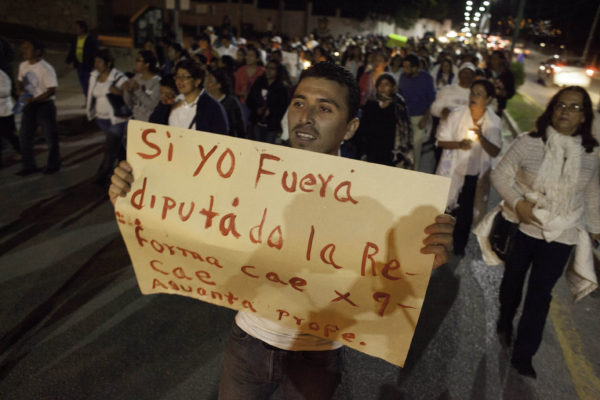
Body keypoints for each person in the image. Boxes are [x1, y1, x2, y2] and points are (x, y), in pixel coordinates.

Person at [108, 62, 455, 399]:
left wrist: (420, 262)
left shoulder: (375, 202)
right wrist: (134, 195)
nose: (306, 117)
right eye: (299, 103)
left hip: (317, 357)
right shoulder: (245, 173)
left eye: (324, 108)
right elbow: (186, 217)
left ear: (350, 128)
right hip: (247, 342)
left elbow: (385, 288)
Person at [491, 86, 599, 378]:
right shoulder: (528, 143)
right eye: (561, 105)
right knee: (511, 284)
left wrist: (596, 230)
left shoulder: (590, 153)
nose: (565, 111)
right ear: (551, 109)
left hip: (561, 235)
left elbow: (590, 192)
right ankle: (505, 316)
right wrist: (518, 204)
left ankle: (524, 354)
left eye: (575, 107)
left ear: (584, 117)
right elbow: (499, 174)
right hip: (523, 227)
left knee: (540, 295)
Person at [436, 79, 501, 256]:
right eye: (473, 92)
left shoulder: (493, 122)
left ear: (488, 99)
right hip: (453, 171)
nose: (474, 97)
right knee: (445, 210)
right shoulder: (457, 115)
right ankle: (438, 244)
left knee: (466, 213)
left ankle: (459, 246)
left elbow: (495, 151)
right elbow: (441, 140)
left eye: (479, 94)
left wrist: (481, 137)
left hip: (474, 176)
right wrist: (459, 144)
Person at [16, 37, 60, 176]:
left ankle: (53, 165)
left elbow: (51, 90)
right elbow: (19, 80)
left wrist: (34, 100)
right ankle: (29, 166)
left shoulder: (46, 68)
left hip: (44, 106)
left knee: (50, 137)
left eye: (28, 48)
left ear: (37, 51)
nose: (24, 50)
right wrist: (20, 91)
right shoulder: (23, 65)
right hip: (30, 105)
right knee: (24, 136)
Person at [86, 48, 130, 184]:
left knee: (110, 149)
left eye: (99, 62)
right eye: (95, 62)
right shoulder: (94, 76)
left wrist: (119, 92)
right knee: (120, 149)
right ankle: (129, 171)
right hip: (102, 120)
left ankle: (102, 174)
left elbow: (129, 92)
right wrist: (90, 112)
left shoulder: (117, 76)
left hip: (117, 120)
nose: (96, 65)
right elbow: (90, 95)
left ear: (109, 63)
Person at [353, 73, 413, 168]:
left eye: (386, 84)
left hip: (391, 149)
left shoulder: (399, 105)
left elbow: (405, 129)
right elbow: (363, 125)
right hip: (371, 147)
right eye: (380, 84)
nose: (383, 87)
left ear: (392, 87)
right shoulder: (371, 103)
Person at [164, 59, 228, 134]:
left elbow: (220, 138)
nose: (179, 81)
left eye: (184, 77)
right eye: (177, 77)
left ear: (197, 81)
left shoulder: (212, 107)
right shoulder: (172, 101)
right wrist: (164, 106)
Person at [398, 54, 436, 171]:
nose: (405, 70)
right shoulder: (403, 77)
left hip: (419, 118)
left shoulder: (426, 78)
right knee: (402, 147)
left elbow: (432, 101)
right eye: (404, 67)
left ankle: (415, 171)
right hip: (405, 118)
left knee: (415, 147)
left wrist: (425, 119)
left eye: (408, 67)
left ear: (416, 68)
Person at [246, 59, 290, 143]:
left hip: (272, 125)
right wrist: (256, 109)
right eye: (267, 68)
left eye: (272, 69)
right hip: (257, 122)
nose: (269, 71)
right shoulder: (258, 82)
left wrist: (272, 111)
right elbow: (250, 100)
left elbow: (283, 107)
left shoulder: (281, 88)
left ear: (277, 71)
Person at [204, 68, 246, 137]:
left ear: (219, 85)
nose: (206, 84)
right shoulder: (204, 100)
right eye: (206, 81)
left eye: (210, 82)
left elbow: (238, 127)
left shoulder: (231, 102)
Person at [122, 50, 161, 122]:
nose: (135, 63)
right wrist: (127, 91)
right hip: (135, 119)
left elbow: (153, 106)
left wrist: (138, 90)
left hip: (148, 122)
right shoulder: (136, 78)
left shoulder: (157, 82)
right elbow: (129, 103)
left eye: (138, 60)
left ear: (147, 64)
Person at [65, 20, 98, 100]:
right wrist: (68, 61)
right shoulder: (75, 39)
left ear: (83, 29)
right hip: (80, 64)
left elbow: (95, 52)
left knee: (89, 83)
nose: (75, 29)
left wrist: (95, 64)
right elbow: (72, 51)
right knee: (83, 83)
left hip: (88, 64)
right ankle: (87, 99)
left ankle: (92, 100)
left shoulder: (90, 40)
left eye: (77, 28)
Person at [484, 50, 515, 116]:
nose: (493, 61)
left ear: (502, 60)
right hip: (482, 107)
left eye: (496, 59)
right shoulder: (485, 72)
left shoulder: (508, 75)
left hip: (497, 110)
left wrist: (501, 93)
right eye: (492, 58)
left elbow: (511, 92)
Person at [0, 67, 20, 167]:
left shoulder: (2, 75)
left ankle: (20, 150)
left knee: (9, 133)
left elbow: (6, 91)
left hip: (5, 111)